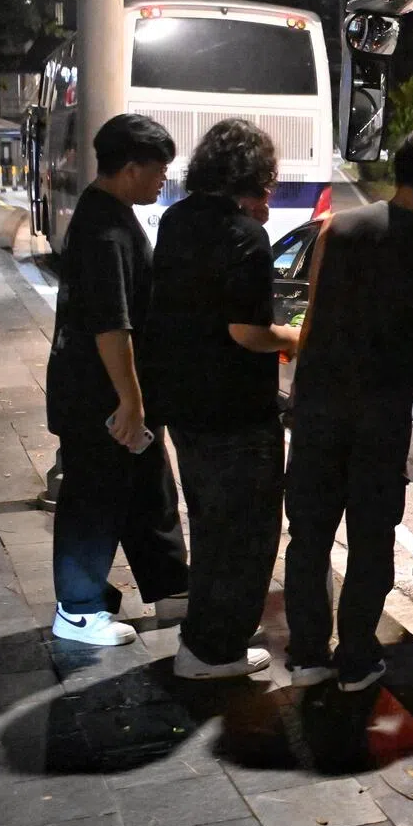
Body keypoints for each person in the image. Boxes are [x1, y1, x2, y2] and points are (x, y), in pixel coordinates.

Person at [284, 129, 413, 692]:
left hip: (318, 402)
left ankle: (308, 654)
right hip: (381, 410)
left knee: (310, 535)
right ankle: (358, 657)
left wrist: (299, 391)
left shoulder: (337, 227)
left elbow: (311, 317)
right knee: (369, 536)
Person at [141, 118, 299, 680]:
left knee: (211, 522)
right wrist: (299, 336)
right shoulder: (243, 236)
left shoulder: (179, 219)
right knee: (247, 531)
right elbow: (248, 332)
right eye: (269, 180)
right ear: (251, 177)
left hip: (185, 403)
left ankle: (210, 629)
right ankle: (213, 651)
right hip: (235, 409)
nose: (272, 192)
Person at [47, 114, 189, 647]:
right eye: (157, 171)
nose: (162, 182)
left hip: (106, 393)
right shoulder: (105, 230)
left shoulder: (108, 212)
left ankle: (172, 586)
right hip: (97, 398)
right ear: (130, 168)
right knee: (94, 499)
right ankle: (79, 608)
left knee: (149, 489)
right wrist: (129, 400)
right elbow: (112, 324)